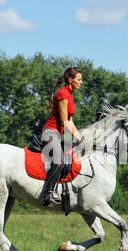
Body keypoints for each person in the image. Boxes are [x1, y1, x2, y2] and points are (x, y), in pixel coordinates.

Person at [41, 67, 83, 205]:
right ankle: (48, 194)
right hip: (50, 132)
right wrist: (77, 137)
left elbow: (70, 120)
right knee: (58, 160)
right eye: (79, 79)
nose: (81, 82)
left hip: (58, 134)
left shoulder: (70, 94)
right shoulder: (63, 94)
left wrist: (81, 138)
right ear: (70, 80)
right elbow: (65, 122)